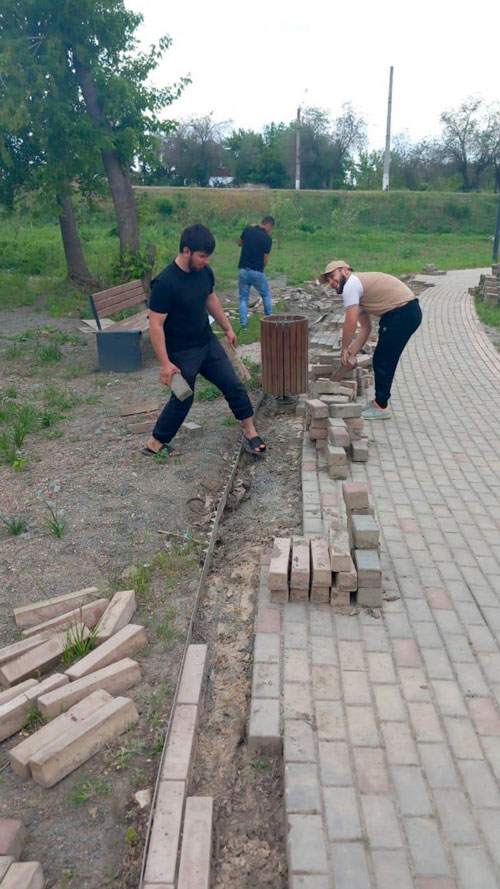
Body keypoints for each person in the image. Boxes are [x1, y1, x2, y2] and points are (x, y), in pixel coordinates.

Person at [143, 223, 266, 456]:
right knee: (183, 398)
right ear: (186, 251)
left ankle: (250, 431)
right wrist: (165, 363)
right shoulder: (165, 283)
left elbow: (211, 299)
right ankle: (155, 443)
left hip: (206, 341)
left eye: (208, 256)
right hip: (181, 350)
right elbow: (156, 325)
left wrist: (228, 328)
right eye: (202, 256)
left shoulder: (204, 273)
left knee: (233, 385)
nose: (206, 261)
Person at [318, 260, 422, 419]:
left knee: (383, 360)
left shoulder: (351, 285)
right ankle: (379, 403)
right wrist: (351, 355)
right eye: (328, 281)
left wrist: (345, 347)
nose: (331, 283)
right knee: (384, 358)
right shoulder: (358, 287)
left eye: (332, 276)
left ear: (345, 270)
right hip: (405, 312)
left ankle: (381, 406)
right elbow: (366, 329)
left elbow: (351, 322)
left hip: (402, 313)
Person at [237, 215, 275, 328]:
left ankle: (243, 325)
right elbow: (265, 260)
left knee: (243, 297)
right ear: (268, 225)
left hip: (243, 270)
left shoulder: (248, 230)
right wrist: (261, 268)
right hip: (257, 271)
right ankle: (270, 320)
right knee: (266, 294)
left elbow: (239, 243)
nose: (270, 231)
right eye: (271, 228)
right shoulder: (267, 239)